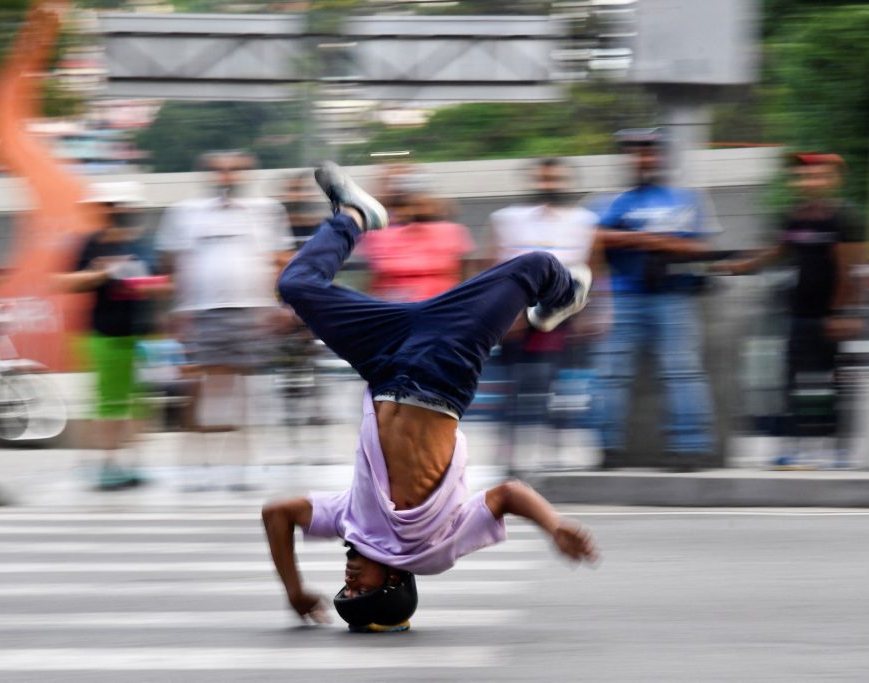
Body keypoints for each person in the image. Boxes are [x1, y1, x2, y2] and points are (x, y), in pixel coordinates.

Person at [261, 162, 599, 632]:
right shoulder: (434, 551)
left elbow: (276, 514)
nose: (349, 578)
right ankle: (563, 297)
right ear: (395, 583)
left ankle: (355, 215)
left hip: (381, 362)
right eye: (361, 590)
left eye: (345, 588)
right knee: (536, 266)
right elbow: (506, 495)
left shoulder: (349, 521)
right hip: (443, 370)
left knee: (295, 286)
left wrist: (294, 589)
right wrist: (554, 524)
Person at [718, 153, 868, 468]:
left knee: (834, 383)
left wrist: (843, 313)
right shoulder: (793, 217)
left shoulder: (844, 217)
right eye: (804, 176)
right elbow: (777, 250)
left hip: (832, 316)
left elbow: (852, 267)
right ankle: (793, 447)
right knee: (792, 382)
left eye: (818, 175)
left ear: (832, 180)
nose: (810, 181)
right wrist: (738, 266)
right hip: (799, 313)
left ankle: (839, 450)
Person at [155, 150, 294, 490]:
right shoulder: (185, 213)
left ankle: (239, 468)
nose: (227, 176)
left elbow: (281, 260)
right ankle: (196, 467)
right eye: (220, 171)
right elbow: (172, 264)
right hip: (201, 312)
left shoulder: (266, 211)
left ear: (247, 175)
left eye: (235, 171)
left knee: (243, 393)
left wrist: (280, 305)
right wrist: (174, 311)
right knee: (198, 391)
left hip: (250, 310)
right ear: (208, 175)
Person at [595, 128, 717, 472]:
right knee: (611, 374)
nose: (643, 158)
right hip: (623, 297)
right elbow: (592, 237)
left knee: (683, 371)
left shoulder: (686, 199)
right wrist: (652, 239)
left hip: (674, 295)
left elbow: (700, 248)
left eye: (649, 151)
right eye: (635, 152)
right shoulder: (610, 200)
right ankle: (609, 449)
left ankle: (690, 447)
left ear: (662, 157)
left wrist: (640, 240)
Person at [488, 158, 599, 471]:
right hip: (517, 314)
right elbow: (494, 265)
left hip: (566, 314)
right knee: (514, 386)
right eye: (544, 178)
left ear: (568, 181)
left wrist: (593, 312)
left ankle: (555, 454)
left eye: (556, 178)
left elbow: (594, 267)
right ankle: (509, 455)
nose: (550, 184)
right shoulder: (508, 218)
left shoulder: (584, 221)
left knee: (558, 386)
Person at [57, 181, 163, 490]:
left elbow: (159, 282)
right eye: (115, 206)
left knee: (138, 403)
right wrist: (102, 273)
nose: (122, 212)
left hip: (141, 335)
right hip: (105, 334)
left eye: (127, 206)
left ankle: (131, 463)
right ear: (105, 210)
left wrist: (146, 284)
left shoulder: (143, 244)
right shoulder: (90, 244)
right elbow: (65, 281)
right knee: (108, 403)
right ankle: (107, 464)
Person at [358, 170, 475, 303]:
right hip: (394, 310)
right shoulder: (379, 236)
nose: (418, 206)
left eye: (422, 200)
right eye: (411, 201)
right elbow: (372, 278)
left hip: (442, 309)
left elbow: (466, 278)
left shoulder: (454, 232)